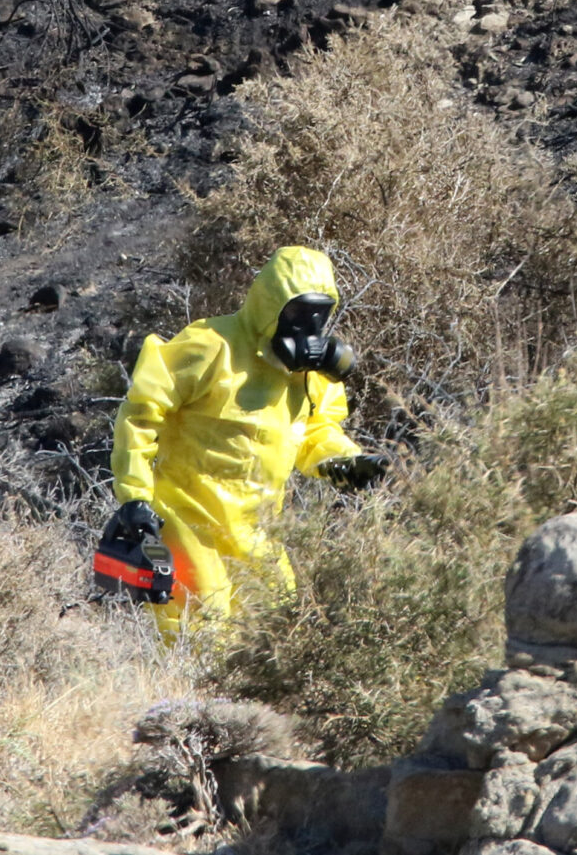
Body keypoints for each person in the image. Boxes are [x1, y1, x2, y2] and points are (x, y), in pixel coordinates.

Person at [106, 245, 386, 637]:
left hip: (259, 529)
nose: (308, 326)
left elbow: (314, 433)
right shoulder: (211, 346)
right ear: (271, 305)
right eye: (297, 313)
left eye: (319, 314)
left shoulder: (310, 376)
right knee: (205, 624)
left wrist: (346, 462)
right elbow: (140, 415)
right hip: (188, 518)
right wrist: (135, 497)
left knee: (277, 631)